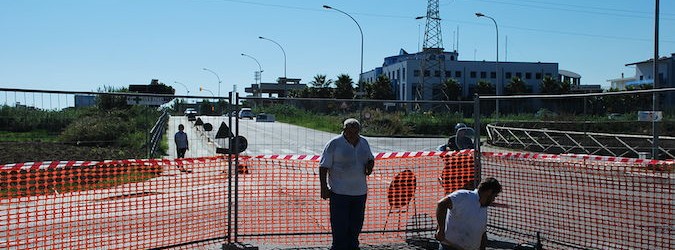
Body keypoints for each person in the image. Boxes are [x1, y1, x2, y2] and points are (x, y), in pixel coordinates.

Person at [319, 118, 375, 250]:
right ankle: (338, 247)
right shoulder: (334, 144)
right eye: (349, 132)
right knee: (340, 225)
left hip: (360, 193)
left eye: (355, 132)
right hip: (339, 193)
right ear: (344, 130)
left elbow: (370, 158)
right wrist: (323, 187)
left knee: (356, 224)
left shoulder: (364, 142)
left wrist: (370, 166)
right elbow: (323, 166)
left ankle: (353, 246)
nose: (352, 135)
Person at [435, 177, 502, 250]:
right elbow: (441, 204)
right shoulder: (463, 196)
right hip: (449, 247)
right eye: (494, 196)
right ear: (489, 192)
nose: (493, 200)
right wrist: (441, 229)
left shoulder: (483, 207)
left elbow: (482, 232)